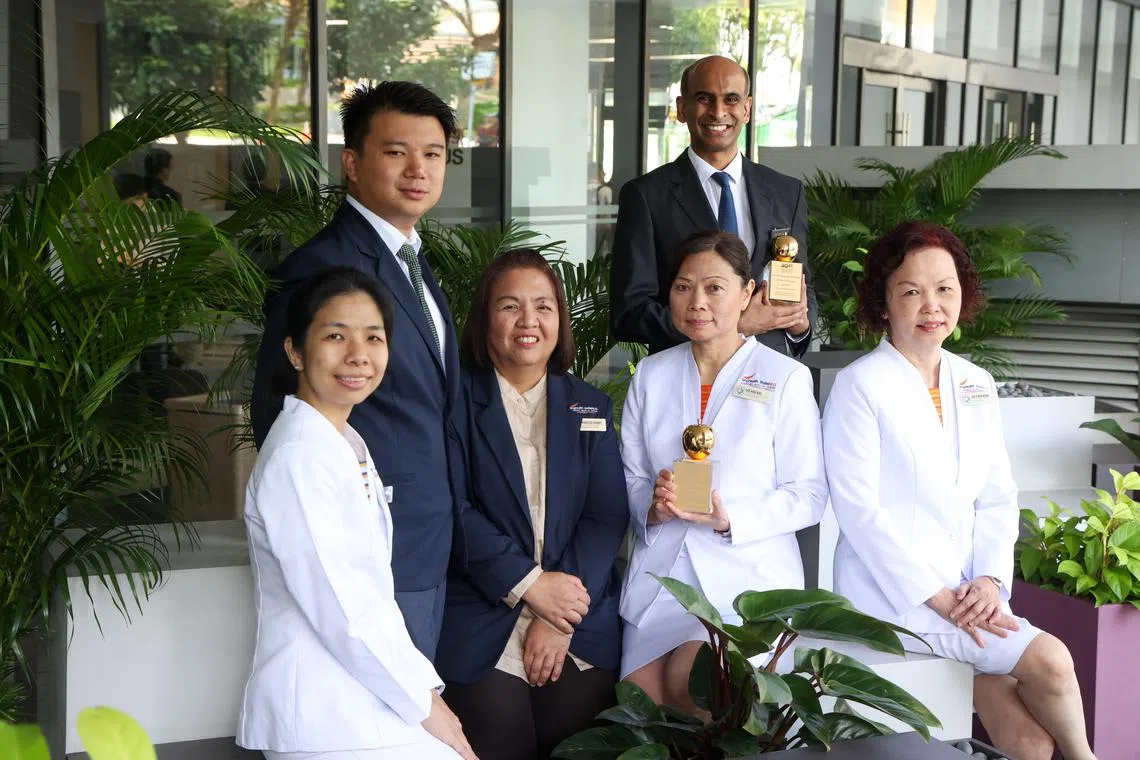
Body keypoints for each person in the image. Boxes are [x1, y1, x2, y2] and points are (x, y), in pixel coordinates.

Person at [822, 221, 1097, 760]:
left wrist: (991, 582)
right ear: (883, 301)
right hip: (894, 601)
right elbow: (860, 512)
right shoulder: (860, 386)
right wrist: (941, 598)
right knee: (1053, 660)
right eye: (911, 290)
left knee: (1030, 744)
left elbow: (997, 495)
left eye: (945, 288)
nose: (932, 305)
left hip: (972, 598)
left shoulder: (975, 381)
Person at [251, 81, 462, 658]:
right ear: (352, 163)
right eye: (396, 152)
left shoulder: (412, 259)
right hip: (365, 548)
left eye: (434, 154)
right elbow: (278, 407)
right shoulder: (322, 268)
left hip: (428, 543)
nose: (418, 169)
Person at [237, 267, 476, 760]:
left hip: (361, 702)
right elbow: (341, 607)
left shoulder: (342, 440)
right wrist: (425, 705)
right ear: (295, 351)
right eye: (334, 336)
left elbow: (371, 598)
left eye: (373, 337)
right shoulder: (298, 457)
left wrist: (425, 695)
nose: (358, 356)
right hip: (324, 717)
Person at [619, 230, 828, 712]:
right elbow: (629, 477)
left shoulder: (785, 378)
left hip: (746, 582)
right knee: (641, 707)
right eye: (682, 286)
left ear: (748, 294)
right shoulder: (652, 374)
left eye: (714, 287)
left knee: (691, 685)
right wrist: (651, 506)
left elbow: (809, 494)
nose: (697, 302)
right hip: (662, 579)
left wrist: (728, 517)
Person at [436, 250, 629, 760]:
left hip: (574, 617)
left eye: (543, 306)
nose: (529, 321)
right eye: (509, 306)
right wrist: (530, 586)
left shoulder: (590, 405)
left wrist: (558, 613)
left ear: (560, 320)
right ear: (484, 318)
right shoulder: (452, 406)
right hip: (484, 611)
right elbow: (452, 510)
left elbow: (605, 514)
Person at [610, 55, 816, 357]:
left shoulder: (787, 192)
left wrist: (800, 326)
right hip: (687, 377)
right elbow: (629, 314)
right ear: (683, 108)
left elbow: (801, 284)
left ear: (746, 109)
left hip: (768, 375)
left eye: (731, 99)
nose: (718, 111)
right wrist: (735, 326)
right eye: (705, 99)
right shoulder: (646, 196)